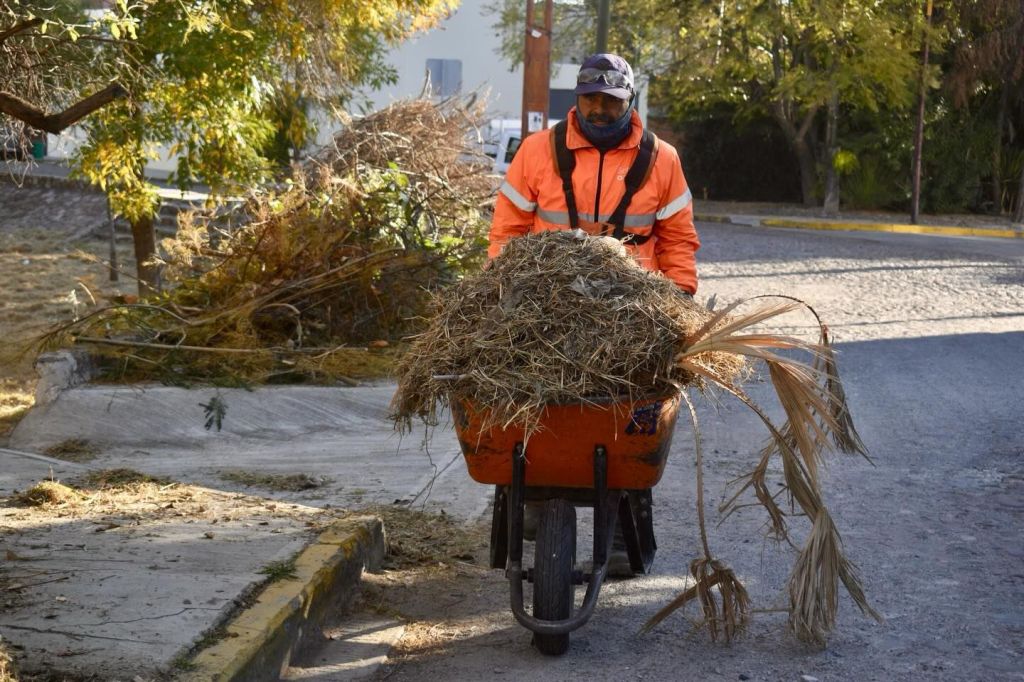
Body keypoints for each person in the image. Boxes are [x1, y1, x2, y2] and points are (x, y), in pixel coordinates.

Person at [488, 52, 700, 296]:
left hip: (633, 301)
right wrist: (498, 285)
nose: (599, 108)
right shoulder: (536, 150)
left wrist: (682, 293)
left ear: (630, 100)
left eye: (611, 100)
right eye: (590, 98)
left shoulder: (662, 158)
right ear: (577, 98)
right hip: (548, 296)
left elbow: (677, 238)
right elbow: (508, 229)